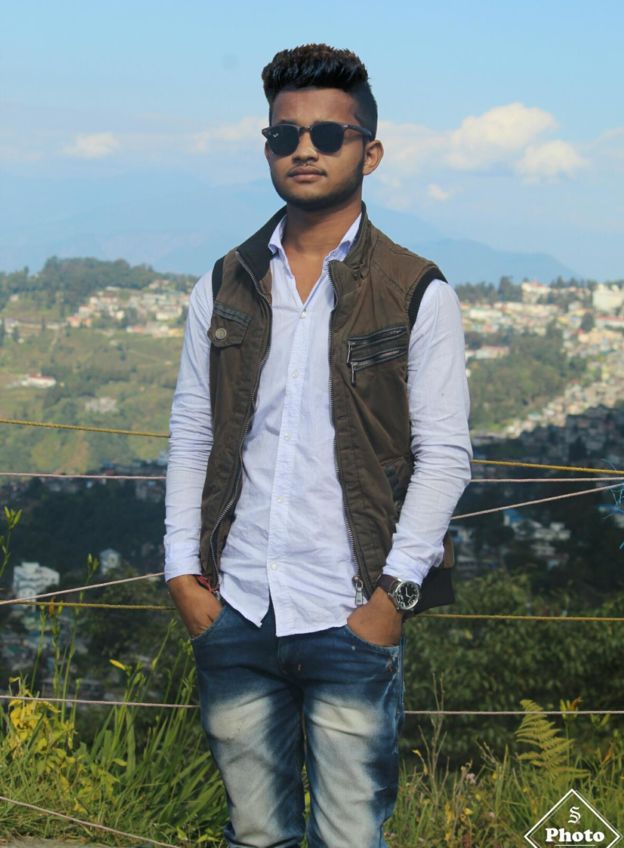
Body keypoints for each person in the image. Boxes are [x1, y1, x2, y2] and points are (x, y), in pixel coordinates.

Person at [164, 43, 472, 848]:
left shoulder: (415, 289)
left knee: (350, 837)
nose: (304, 149)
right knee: (255, 834)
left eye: (328, 135)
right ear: (267, 146)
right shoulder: (225, 282)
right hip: (236, 606)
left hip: (349, 609)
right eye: (284, 135)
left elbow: (445, 454)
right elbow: (193, 431)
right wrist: (182, 577)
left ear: (370, 151)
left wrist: (391, 600)